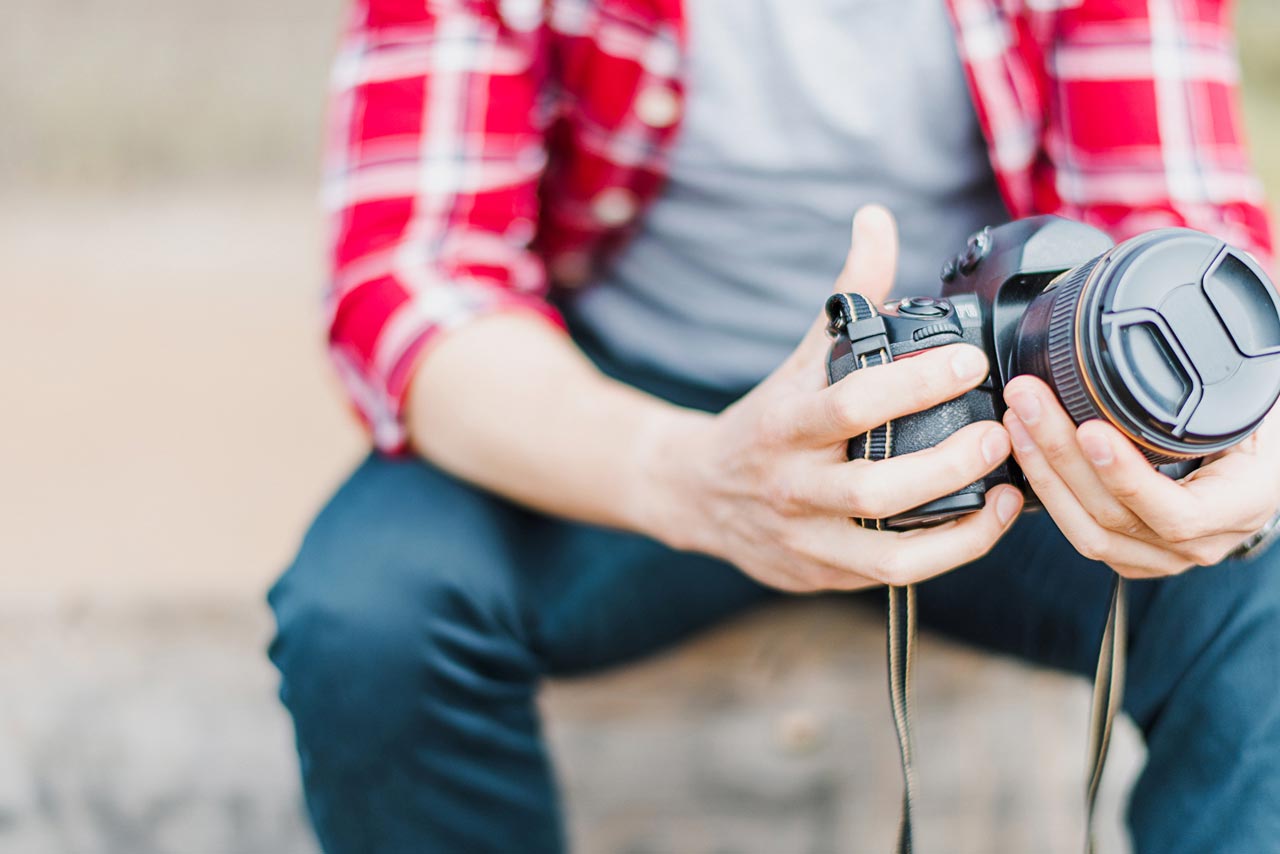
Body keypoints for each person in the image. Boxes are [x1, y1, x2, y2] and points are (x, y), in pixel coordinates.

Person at [267, 0, 1280, 851]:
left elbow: (1178, 238)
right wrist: (684, 473)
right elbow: (411, 272)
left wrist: (1242, 466)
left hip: (994, 401)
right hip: (621, 392)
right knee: (367, 620)